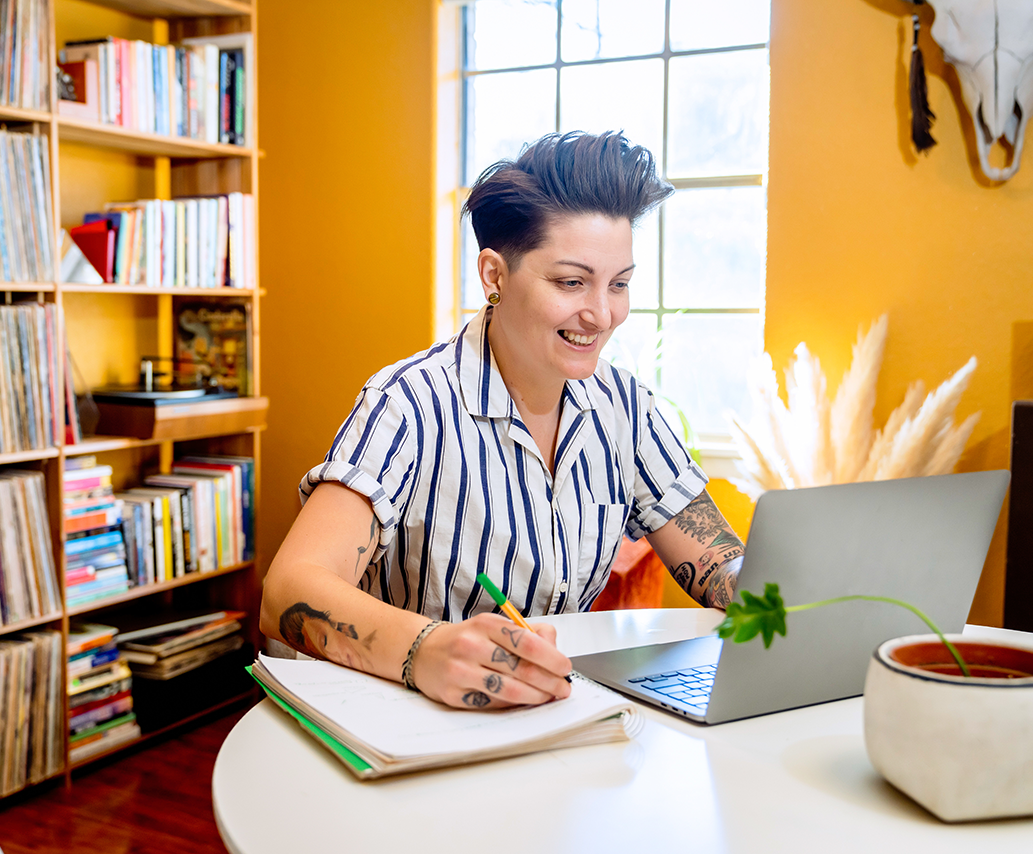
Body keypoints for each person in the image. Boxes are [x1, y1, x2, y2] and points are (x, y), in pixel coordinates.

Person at [261, 131, 745, 710]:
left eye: (619, 284)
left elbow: (719, 562)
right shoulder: (411, 403)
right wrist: (427, 649)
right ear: (494, 275)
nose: (602, 313)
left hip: (547, 718)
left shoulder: (625, 408)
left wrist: (780, 598)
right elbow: (286, 591)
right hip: (409, 722)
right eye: (571, 282)